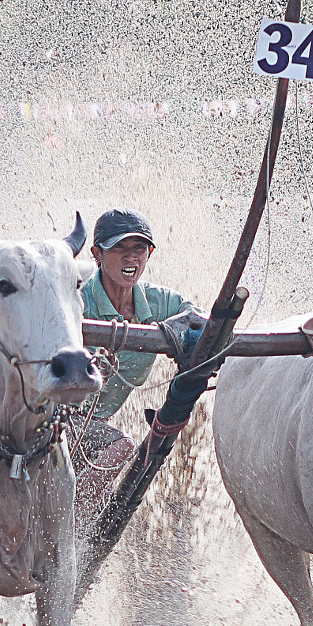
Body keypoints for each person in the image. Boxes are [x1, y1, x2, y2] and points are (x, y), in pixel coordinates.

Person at [73, 207, 202, 521]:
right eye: (119, 248)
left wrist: (181, 332)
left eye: (138, 248)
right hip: (54, 416)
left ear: (150, 253)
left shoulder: (159, 302)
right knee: (122, 446)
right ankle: (67, 528)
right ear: (97, 255)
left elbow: (199, 321)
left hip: (95, 425)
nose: (130, 258)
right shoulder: (77, 299)